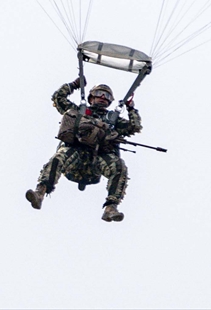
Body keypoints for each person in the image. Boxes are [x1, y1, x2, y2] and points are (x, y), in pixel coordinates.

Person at [25, 79, 142, 222]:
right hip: (75, 153)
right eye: (99, 94)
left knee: (119, 166)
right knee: (58, 158)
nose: (103, 98)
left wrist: (131, 109)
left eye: (107, 96)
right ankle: (40, 192)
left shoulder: (113, 120)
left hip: (97, 158)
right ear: (91, 97)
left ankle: (111, 208)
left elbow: (134, 127)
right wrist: (74, 85)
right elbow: (58, 98)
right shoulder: (80, 111)